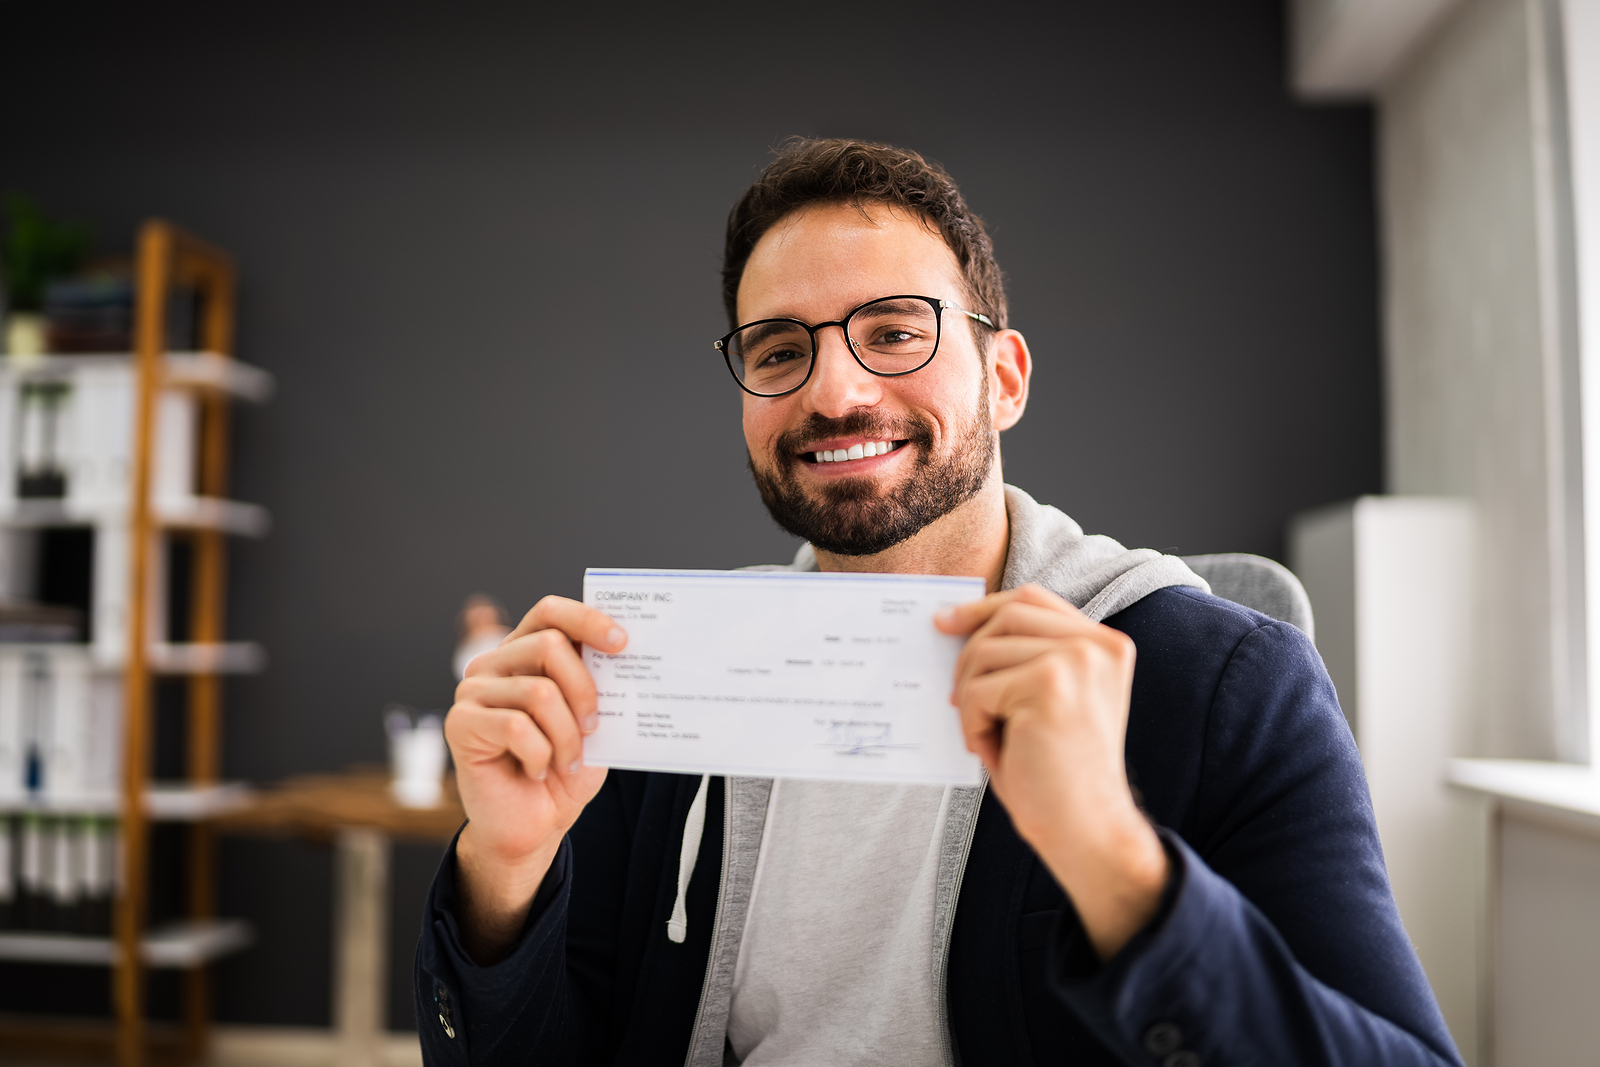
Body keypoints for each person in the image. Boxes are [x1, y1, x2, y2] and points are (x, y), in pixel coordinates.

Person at [414, 139, 1464, 1067]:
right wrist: (505, 866)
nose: (835, 391)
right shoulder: (672, 695)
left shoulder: (1227, 682)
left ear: (1003, 377)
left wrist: (1112, 855)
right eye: (781, 349)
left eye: (894, 329)